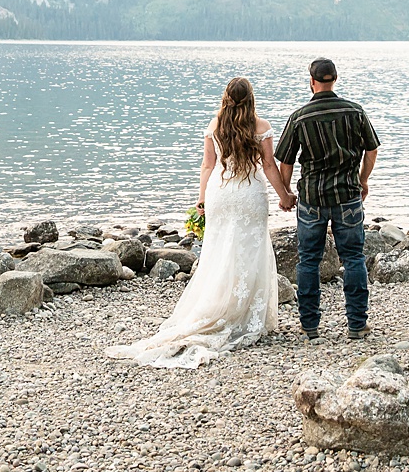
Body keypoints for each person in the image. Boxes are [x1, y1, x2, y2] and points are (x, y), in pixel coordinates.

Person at [105, 76, 296, 368]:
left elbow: (208, 164)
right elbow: (269, 165)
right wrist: (285, 194)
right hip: (248, 193)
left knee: (219, 252)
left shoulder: (215, 125)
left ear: (226, 97)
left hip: (221, 192)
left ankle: (218, 305)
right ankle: (243, 313)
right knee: (248, 250)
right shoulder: (261, 126)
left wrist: (202, 199)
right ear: (251, 98)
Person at [276, 57, 380, 340]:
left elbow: (285, 161)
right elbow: (372, 150)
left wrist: (285, 193)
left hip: (311, 198)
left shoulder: (300, 117)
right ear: (334, 80)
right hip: (348, 195)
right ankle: (357, 324)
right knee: (354, 259)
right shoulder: (355, 112)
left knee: (309, 260)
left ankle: (310, 325)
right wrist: (363, 179)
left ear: (311, 82)